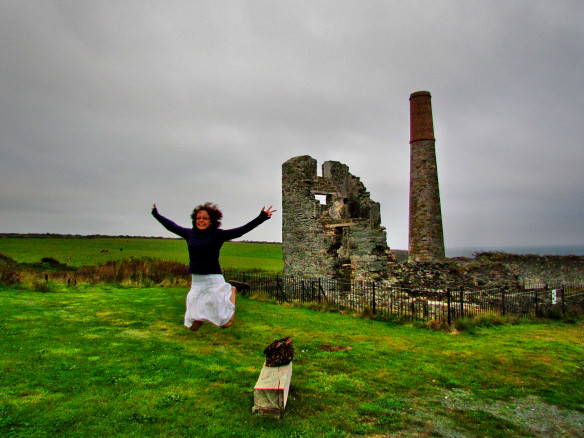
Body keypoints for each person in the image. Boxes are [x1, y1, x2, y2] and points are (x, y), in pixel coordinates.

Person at [151, 202, 276, 331]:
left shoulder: (217, 235)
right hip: (197, 283)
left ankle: (232, 290)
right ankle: (204, 316)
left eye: (205, 218)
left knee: (225, 323)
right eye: (198, 218)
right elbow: (171, 226)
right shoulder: (189, 234)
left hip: (213, 280)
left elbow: (240, 231)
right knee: (192, 326)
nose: (201, 221)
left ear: (211, 221)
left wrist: (261, 217)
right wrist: (156, 214)